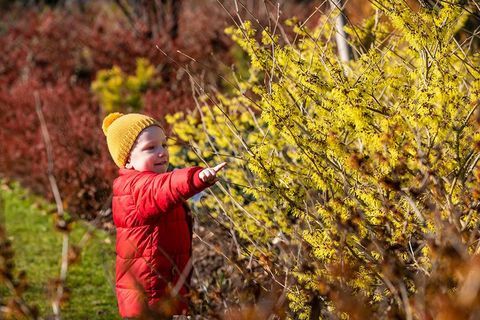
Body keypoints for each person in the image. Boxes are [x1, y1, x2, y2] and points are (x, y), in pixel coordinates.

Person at [102, 112, 226, 319]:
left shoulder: (148, 181)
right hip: (149, 291)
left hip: (165, 283)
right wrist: (196, 178)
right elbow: (166, 186)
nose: (162, 152)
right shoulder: (136, 187)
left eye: (164, 145)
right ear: (128, 161)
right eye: (151, 148)